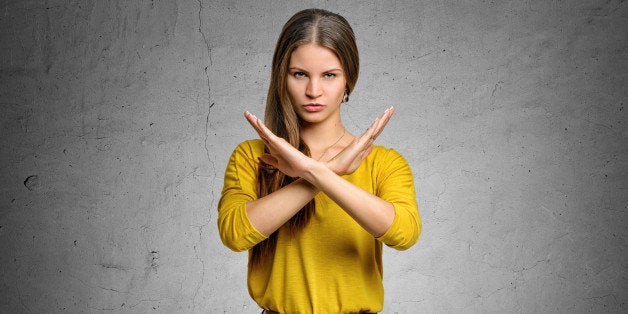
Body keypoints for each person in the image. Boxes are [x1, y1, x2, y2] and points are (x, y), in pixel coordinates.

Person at [218, 8, 421, 313]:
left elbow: (403, 233)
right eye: (300, 74)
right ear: (282, 77)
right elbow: (234, 234)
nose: (314, 91)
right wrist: (324, 173)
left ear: (348, 79)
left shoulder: (385, 163)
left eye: (329, 75)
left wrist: (317, 173)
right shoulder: (253, 156)